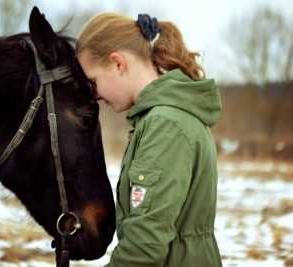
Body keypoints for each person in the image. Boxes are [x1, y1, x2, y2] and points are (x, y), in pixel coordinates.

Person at [77, 12, 223, 267]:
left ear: (117, 63)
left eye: (93, 82)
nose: (95, 96)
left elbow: (144, 248)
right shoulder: (162, 118)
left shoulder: (165, 125)